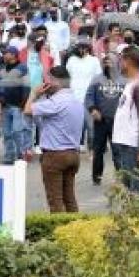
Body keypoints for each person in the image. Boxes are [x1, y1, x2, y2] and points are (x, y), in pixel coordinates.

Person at [24, 66, 84, 213]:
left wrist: (33, 94)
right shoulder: (75, 100)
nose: (44, 83)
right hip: (73, 154)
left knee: (55, 200)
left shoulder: (56, 102)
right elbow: (41, 121)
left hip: (55, 155)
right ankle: (74, 228)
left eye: (47, 80)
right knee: (69, 198)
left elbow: (27, 110)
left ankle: (59, 231)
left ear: (55, 82)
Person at [111, 46, 139, 194]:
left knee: (138, 191)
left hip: (134, 146)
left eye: (120, 60)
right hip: (125, 144)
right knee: (129, 189)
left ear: (127, 61)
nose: (118, 64)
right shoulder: (131, 83)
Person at [85, 52, 125, 185]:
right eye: (105, 62)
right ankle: (97, 177)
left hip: (118, 122)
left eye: (110, 62)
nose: (108, 64)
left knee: (117, 151)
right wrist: (93, 109)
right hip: (100, 121)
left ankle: (121, 176)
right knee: (98, 151)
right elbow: (89, 97)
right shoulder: (96, 79)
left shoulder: (123, 80)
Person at [0, 46, 31, 164]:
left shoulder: (23, 68)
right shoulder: (0, 69)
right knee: (7, 133)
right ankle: (9, 156)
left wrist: (23, 104)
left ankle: (21, 154)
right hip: (4, 106)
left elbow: (26, 87)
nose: (4, 55)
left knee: (17, 131)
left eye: (6, 53)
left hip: (17, 106)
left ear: (14, 55)